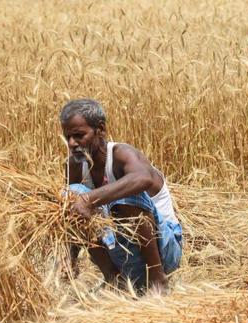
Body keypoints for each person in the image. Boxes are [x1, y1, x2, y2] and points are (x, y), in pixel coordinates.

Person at [60, 99, 183, 293]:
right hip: (119, 253)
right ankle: (113, 278)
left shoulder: (121, 155)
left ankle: (158, 280)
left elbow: (143, 178)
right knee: (69, 195)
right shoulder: (74, 167)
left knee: (122, 194)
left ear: (100, 129)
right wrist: (70, 258)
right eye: (68, 137)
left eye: (79, 136)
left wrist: (89, 199)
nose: (72, 143)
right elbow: (72, 213)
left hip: (164, 251)